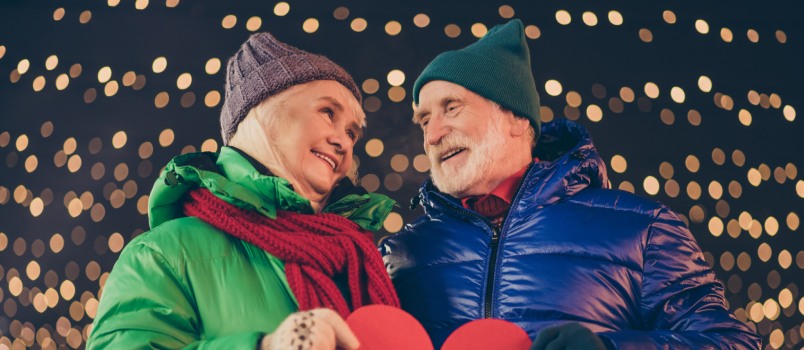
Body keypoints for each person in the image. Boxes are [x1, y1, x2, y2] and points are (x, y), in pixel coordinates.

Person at [381, 19, 760, 349]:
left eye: (452, 107)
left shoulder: (643, 230)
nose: (433, 135)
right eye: (424, 120)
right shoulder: (400, 255)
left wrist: (610, 348)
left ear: (516, 118)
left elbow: (733, 342)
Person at [88, 32, 399, 350]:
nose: (343, 141)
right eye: (327, 113)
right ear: (265, 112)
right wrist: (266, 346)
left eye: (351, 133)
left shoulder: (359, 260)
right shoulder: (162, 255)